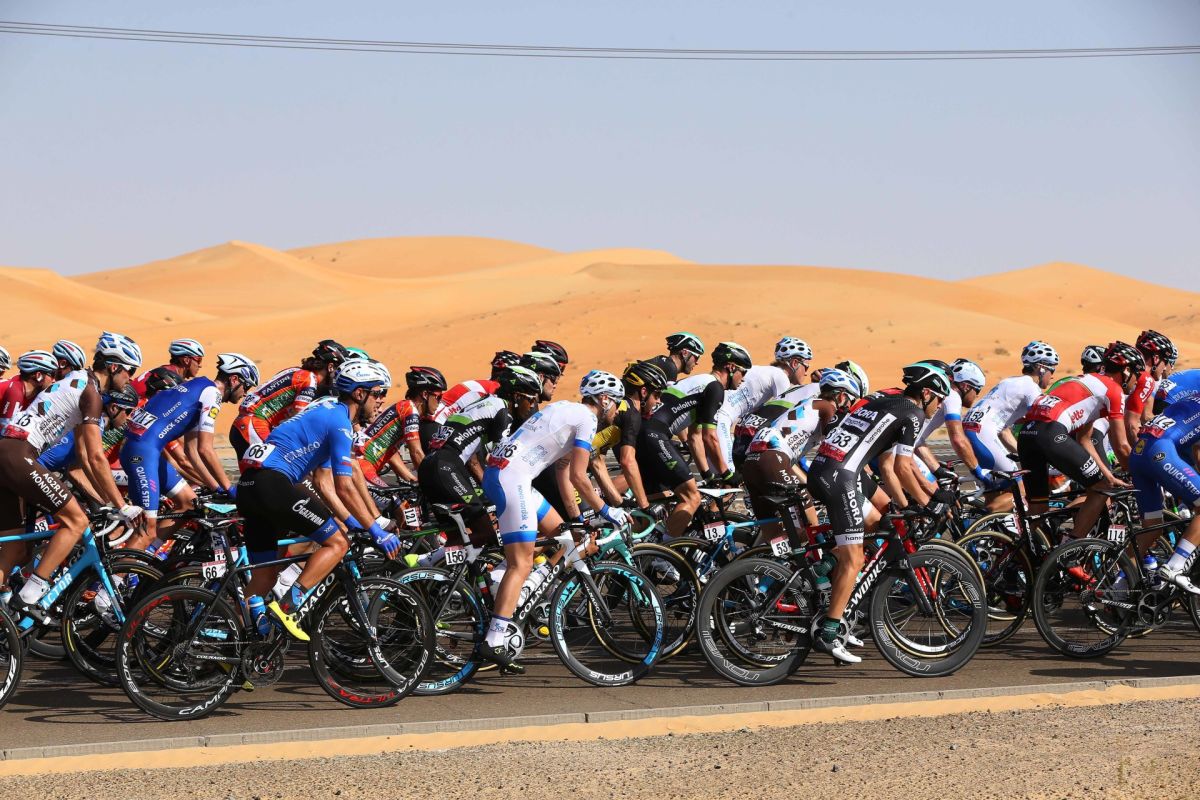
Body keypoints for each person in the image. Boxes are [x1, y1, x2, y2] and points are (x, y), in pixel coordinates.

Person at [236, 359, 400, 640]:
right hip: (273, 484)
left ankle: (240, 639)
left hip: (250, 486)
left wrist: (351, 521)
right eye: (378, 393)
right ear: (359, 393)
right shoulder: (340, 423)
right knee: (337, 543)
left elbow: (324, 483)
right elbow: (344, 486)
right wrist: (376, 530)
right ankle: (288, 608)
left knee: (265, 575)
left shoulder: (325, 411)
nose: (382, 401)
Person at [479, 369, 627, 667]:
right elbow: (579, 476)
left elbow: (563, 470)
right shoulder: (587, 420)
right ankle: (494, 638)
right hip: (512, 480)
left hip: (507, 475)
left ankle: (508, 584)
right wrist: (606, 510)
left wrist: (576, 518)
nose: (619, 411)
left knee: (564, 536)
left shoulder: (566, 409)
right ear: (605, 399)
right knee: (521, 563)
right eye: (618, 403)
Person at [807, 361, 952, 664]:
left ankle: (822, 571)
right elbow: (903, 467)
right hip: (841, 476)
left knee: (881, 522)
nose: (939, 406)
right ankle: (829, 632)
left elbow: (887, 468)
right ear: (926, 393)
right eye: (939, 399)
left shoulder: (886, 404)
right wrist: (929, 504)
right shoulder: (912, 413)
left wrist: (905, 506)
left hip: (828, 470)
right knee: (855, 559)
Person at [0, 332, 145, 620]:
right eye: (129, 370)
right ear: (114, 366)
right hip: (19, 454)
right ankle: (30, 596)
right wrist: (122, 506)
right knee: (76, 521)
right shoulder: (91, 393)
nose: (130, 378)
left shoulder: (80, 381)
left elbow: (83, 456)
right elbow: (96, 457)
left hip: (8, 453)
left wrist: (107, 501)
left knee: (14, 549)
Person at [120, 353, 259, 549]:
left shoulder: (199, 387)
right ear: (234, 379)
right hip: (143, 454)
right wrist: (229, 488)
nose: (245, 393)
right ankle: (123, 568)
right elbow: (205, 449)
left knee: (188, 503)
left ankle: (147, 555)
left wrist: (215, 487)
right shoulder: (212, 394)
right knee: (146, 530)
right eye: (246, 386)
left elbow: (192, 451)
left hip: (143, 450)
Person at [1018, 341, 1139, 541]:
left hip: (1027, 435)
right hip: (1050, 433)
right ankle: (1070, 550)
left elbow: (1084, 439)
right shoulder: (1113, 389)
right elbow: (1121, 446)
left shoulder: (1087, 382)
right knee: (1101, 489)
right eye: (1137, 374)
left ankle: (1016, 551)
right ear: (1126, 371)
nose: (1137, 381)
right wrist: (1141, 474)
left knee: (1038, 507)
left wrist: (1108, 475)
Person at [416, 365, 542, 551]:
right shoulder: (502, 410)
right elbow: (502, 459)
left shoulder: (483, 404)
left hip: (430, 467)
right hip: (445, 468)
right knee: (486, 532)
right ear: (516, 397)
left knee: (457, 538)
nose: (532, 405)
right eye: (530, 399)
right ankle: (423, 561)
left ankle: (430, 568)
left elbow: (473, 459)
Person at [635, 342, 750, 539]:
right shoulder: (714, 387)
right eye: (743, 372)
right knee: (692, 497)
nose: (744, 379)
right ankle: (664, 551)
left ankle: (636, 546)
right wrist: (726, 473)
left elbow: (694, 437)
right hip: (656, 435)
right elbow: (710, 437)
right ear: (731, 368)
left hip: (646, 434)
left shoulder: (702, 382)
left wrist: (707, 474)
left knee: (660, 501)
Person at [742, 368, 861, 538]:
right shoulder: (827, 407)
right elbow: (834, 445)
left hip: (752, 462)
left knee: (772, 536)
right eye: (851, 400)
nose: (849, 407)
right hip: (772, 460)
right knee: (811, 530)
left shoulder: (807, 403)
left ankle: (765, 555)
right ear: (842, 396)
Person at [229, 339, 348, 460]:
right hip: (254, 425)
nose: (337, 376)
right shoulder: (309, 380)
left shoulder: (296, 371)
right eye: (337, 370)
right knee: (278, 463)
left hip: (243, 424)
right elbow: (299, 418)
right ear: (330, 367)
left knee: (255, 471)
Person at [711, 337, 811, 481]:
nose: (806, 372)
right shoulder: (780, 377)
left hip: (720, 420)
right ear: (795, 363)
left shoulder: (763, 371)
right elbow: (785, 417)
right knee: (729, 479)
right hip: (721, 420)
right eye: (806, 366)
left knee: (719, 480)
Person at [962, 340, 1060, 486]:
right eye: (1052, 370)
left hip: (970, 430)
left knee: (996, 489)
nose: (1052, 376)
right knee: (1017, 484)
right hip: (982, 434)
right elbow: (1043, 421)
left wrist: (1023, 455)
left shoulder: (1009, 382)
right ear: (1041, 368)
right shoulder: (1031, 387)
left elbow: (1003, 431)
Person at [1128, 397, 1200, 593]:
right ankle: (1175, 567)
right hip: (1159, 453)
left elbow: (1196, 449)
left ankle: (1120, 584)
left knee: (1152, 528)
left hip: (1138, 455)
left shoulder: (1190, 399)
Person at [591, 360, 670, 512]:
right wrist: (645, 505)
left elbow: (596, 459)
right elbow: (627, 462)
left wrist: (616, 501)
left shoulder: (620, 405)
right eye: (657, 394)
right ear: (644, 392)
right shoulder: (632, 414)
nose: (658, 401)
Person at [914, 359, 989, 485]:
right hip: (901, 450)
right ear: (965, 386)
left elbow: (916, 439)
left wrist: (936, 468)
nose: (976, 396)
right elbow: (958, 439)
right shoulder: (952, 396)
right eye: (977, 390)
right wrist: (977, 471)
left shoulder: (937, 393)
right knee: (933, 492)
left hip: (898, 447)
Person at [1124, 330, 1174, 441]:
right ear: (1156, 359)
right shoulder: (1146, 379)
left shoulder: (1129, 370)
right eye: (1165, 361)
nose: (1165, 368)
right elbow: (1142, 419)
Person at [130, 338, 206, 398]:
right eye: (198, 360)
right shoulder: (169, 378)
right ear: (186, 360)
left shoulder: (165, 371)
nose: (200, 365)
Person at [0, 351, 58, 427]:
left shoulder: (30, 393)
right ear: (38, 376)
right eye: (53, 375)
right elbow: (5, 429)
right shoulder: (15, 391)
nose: (54, 380)